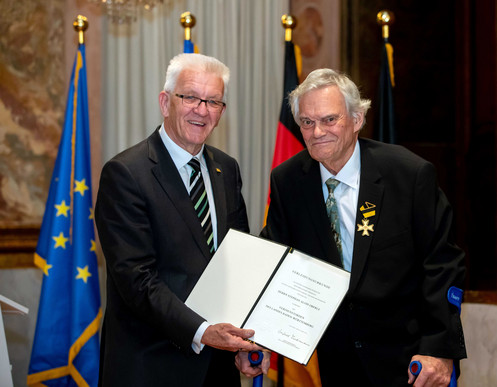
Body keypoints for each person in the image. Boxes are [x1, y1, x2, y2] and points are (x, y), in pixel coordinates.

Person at [257, 68, 467, 386]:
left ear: (356, 120)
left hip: (409, 362)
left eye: (329, 120)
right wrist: (257, 335)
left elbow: (442, 264)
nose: (316, 132)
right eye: (307, 122)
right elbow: (275, 261)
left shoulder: (409, 175)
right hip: (333, 362)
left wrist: (438, 349)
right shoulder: (287, 181)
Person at [95, 53, 267, 386]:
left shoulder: (226, 168)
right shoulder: (126, 174)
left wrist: (243, 340)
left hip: (217, 368)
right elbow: (137, 280)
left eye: (213, 101)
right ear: (165, 102)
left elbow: (239, 260)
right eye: (190, 97)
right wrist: (204, 332)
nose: (201, 110)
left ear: (221, 111)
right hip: (152, 367)